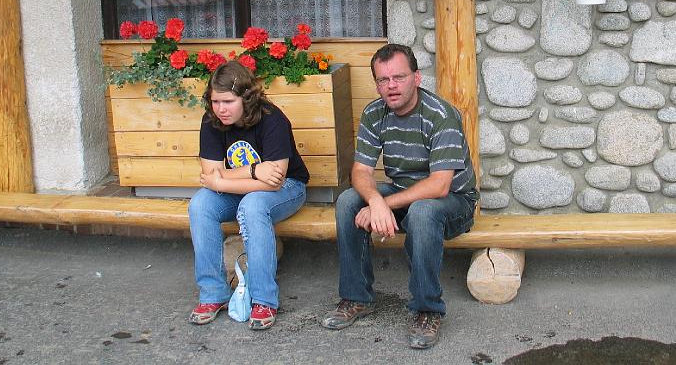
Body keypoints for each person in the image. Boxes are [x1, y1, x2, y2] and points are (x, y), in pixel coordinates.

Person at [321, 44, 478, 349]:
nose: (391, 86)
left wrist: (384, 204)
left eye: (399, 77)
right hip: (405, 194)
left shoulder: (441, 115)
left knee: (422, 211)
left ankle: (427, 309)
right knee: (348, 201)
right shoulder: (374, 113)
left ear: (416, 78)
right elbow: (360, 171)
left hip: (454, 201)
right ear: (377, 84)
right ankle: (356, 297)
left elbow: (439, 186)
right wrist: (375, 201)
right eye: (383, 79)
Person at [187, 60, 309, 330]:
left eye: (228, 102)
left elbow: (274, 183)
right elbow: (210, 176)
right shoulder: (212, 120)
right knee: (200, 204)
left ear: (246, 97)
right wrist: (254, 170)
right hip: (244, 187)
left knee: (253, 205)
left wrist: (223, 179)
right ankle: (213, 293)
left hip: (288, 188)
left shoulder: (272, 118)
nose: (221, 109)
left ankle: (264, 299)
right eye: (215, 101)